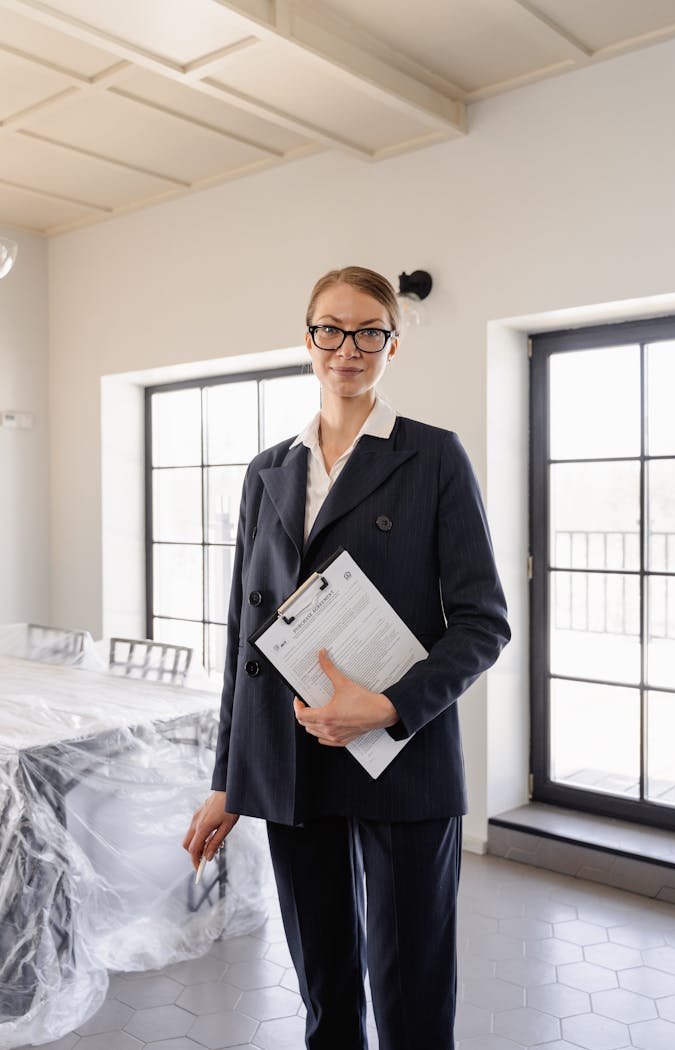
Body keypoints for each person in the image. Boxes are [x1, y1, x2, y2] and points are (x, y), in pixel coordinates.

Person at [183, 266, 510, 1050]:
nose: (348, 348)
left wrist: (391, 705)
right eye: (331, 328)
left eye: (369, 332)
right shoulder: (267, 472)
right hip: (292, 763)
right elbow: (244, 636)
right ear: (308, 338)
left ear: (392, 346)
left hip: (402, 756)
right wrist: (231, 778)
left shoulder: (434, 457)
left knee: (412, 997)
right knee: (325, 996)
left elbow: (483, 622)